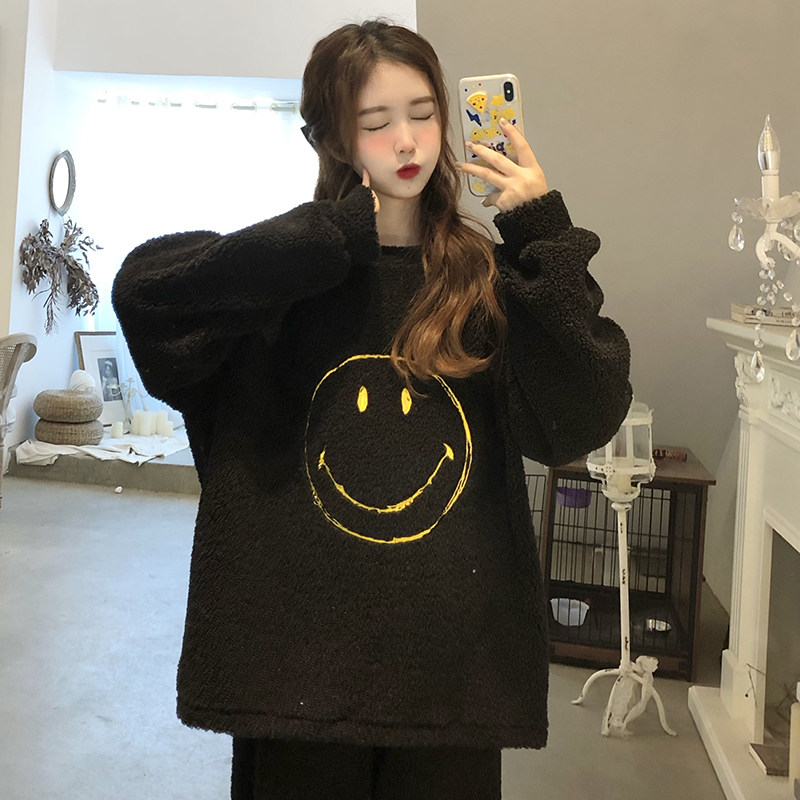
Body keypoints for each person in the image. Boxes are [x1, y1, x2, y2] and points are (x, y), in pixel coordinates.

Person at [112, 20, 632, 800]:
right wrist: (333, 234)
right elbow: (147, 297)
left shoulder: (482, 279)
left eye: (422, 113)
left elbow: (582, 416)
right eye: (375, 121)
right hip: (295, 672)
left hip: (450, 673)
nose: (407, 140)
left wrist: (541, 231)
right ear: (329, 137)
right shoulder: (283, 278)